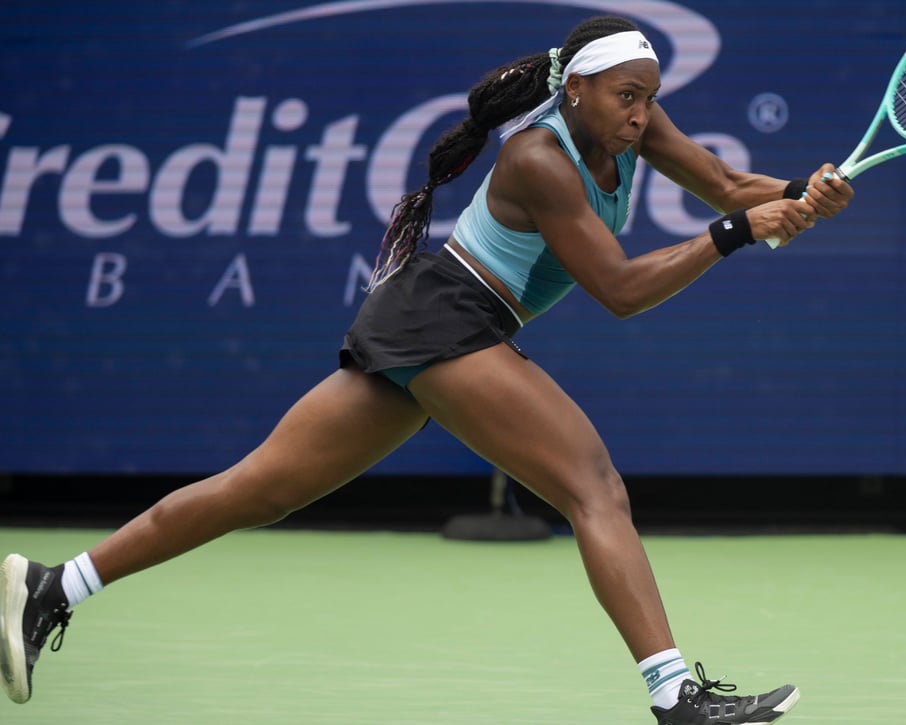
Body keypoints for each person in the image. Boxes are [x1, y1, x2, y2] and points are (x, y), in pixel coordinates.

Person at [1, 14, 851, 723]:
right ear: (576, 89)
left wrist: (799, 190)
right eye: (626, 97)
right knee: (595, 485)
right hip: (448, 319)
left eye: (649, 99)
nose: (640, 114)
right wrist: (740, 232)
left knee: (259, 488)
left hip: (427, 318)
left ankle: (53, 585)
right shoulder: (538, 159)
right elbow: (622, 291)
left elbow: (726, 179)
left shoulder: (632, 119)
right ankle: (675, 698)